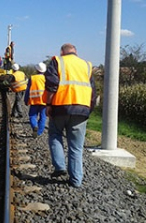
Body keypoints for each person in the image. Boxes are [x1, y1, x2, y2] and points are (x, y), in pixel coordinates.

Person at [44, 43, 96, 188]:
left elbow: (52, 85)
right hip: (81, 109)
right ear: (76, 52)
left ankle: (60, 166)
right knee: (76, 147)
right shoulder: (87, 65)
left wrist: (48, 105)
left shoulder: (57, 61)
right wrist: (87, 110)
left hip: (60, 107)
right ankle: (76, 180)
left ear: (62, 52)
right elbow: (93, 92)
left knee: (55, 135)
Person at [24, 62, 47, 138]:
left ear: (37, 70)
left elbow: (28, 90)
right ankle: (39, 132)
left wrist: (26, 99)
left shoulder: (32, 78)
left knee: (32, 116)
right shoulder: (46, 78)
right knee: (43, 117)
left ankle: (34, 126)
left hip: (34, 100)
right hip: (44, 101)